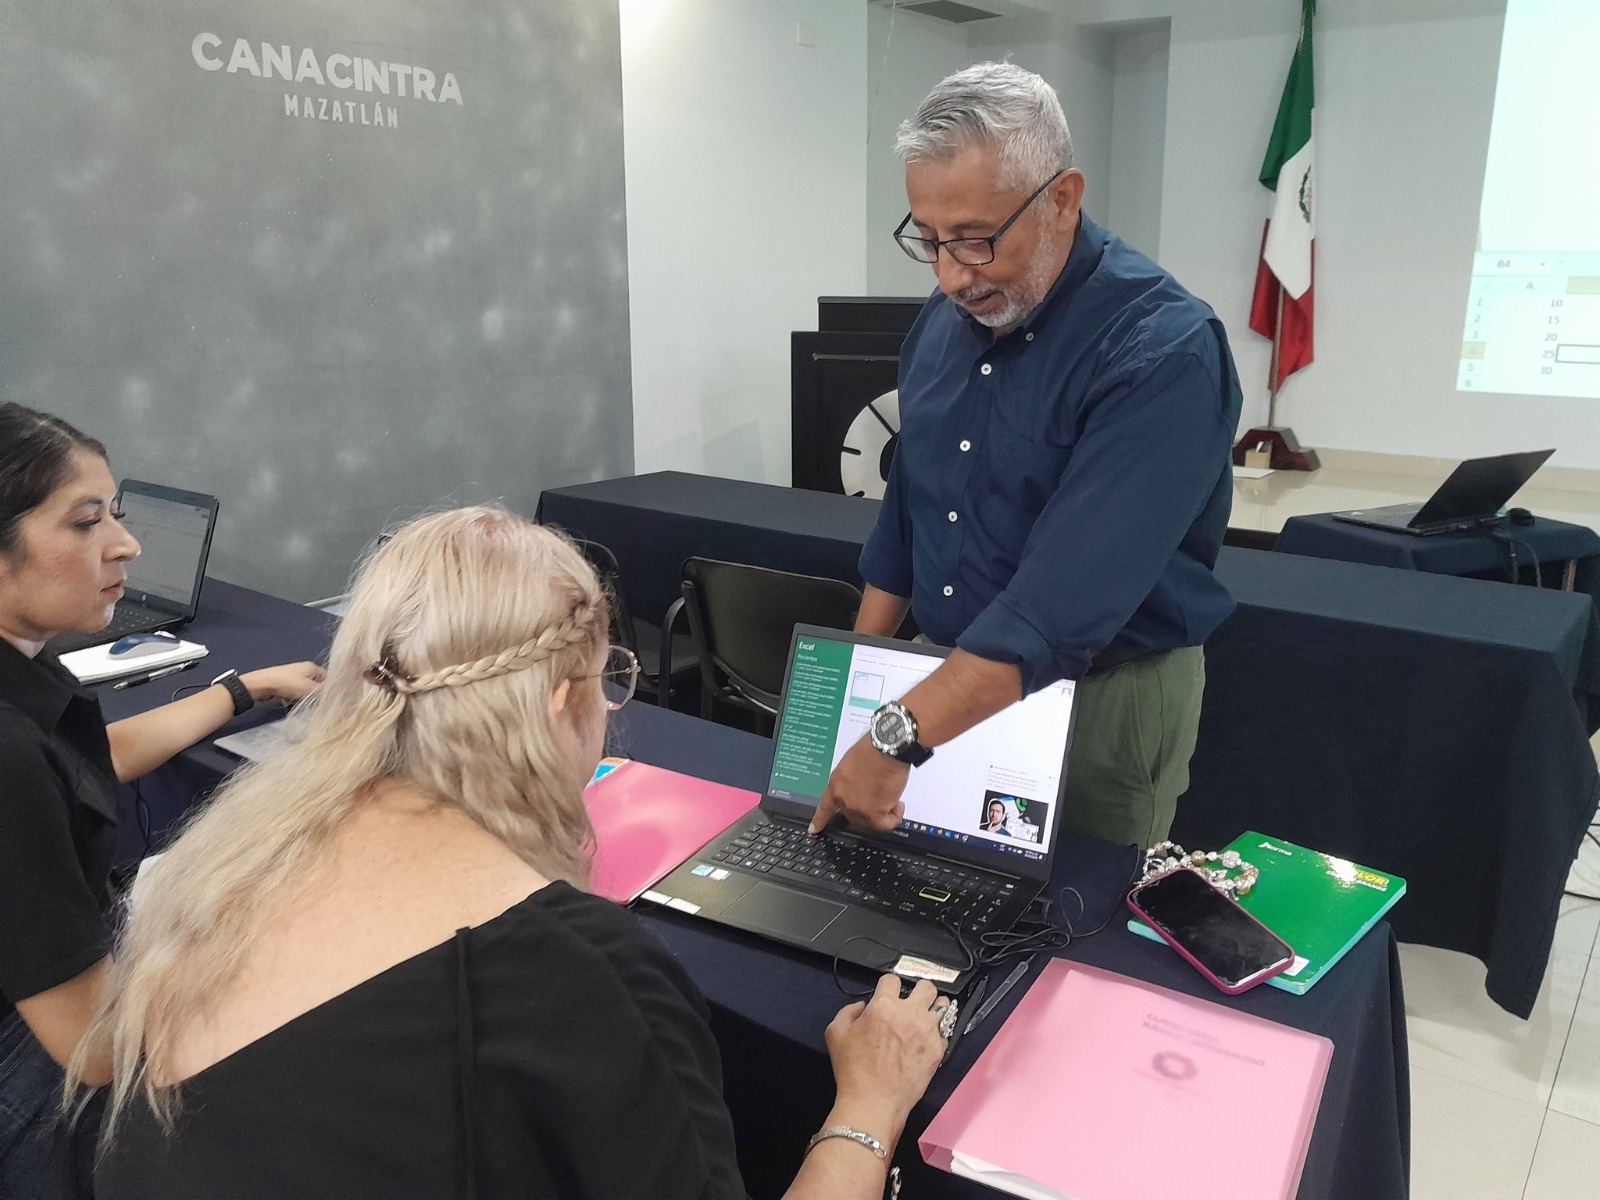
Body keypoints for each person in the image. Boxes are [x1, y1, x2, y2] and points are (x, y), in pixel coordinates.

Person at [76, 506, 947, 1200]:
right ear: (563, 702)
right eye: (609, 680)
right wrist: (871, 1104)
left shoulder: (218, 872)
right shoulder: (583, 979)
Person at [812, 63, 1243, 852]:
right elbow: (907, 519)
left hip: (1103, 696)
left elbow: (1055, 609)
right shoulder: (943, 322)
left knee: (1079, 911)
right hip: (942, 688)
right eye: (928, 240)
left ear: (1062, 199)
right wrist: (855, 688)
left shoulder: (1163, 351)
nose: (951, 275)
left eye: (975, 240)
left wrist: (892, 736)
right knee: (937, 895)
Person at [0, 402, 323, 1196]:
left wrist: (243, 690)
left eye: (114, 514)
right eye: (85, 523)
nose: (125, 544)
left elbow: (88, 759)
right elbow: (94, 1049)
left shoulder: (23, 675)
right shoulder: (7, 759)